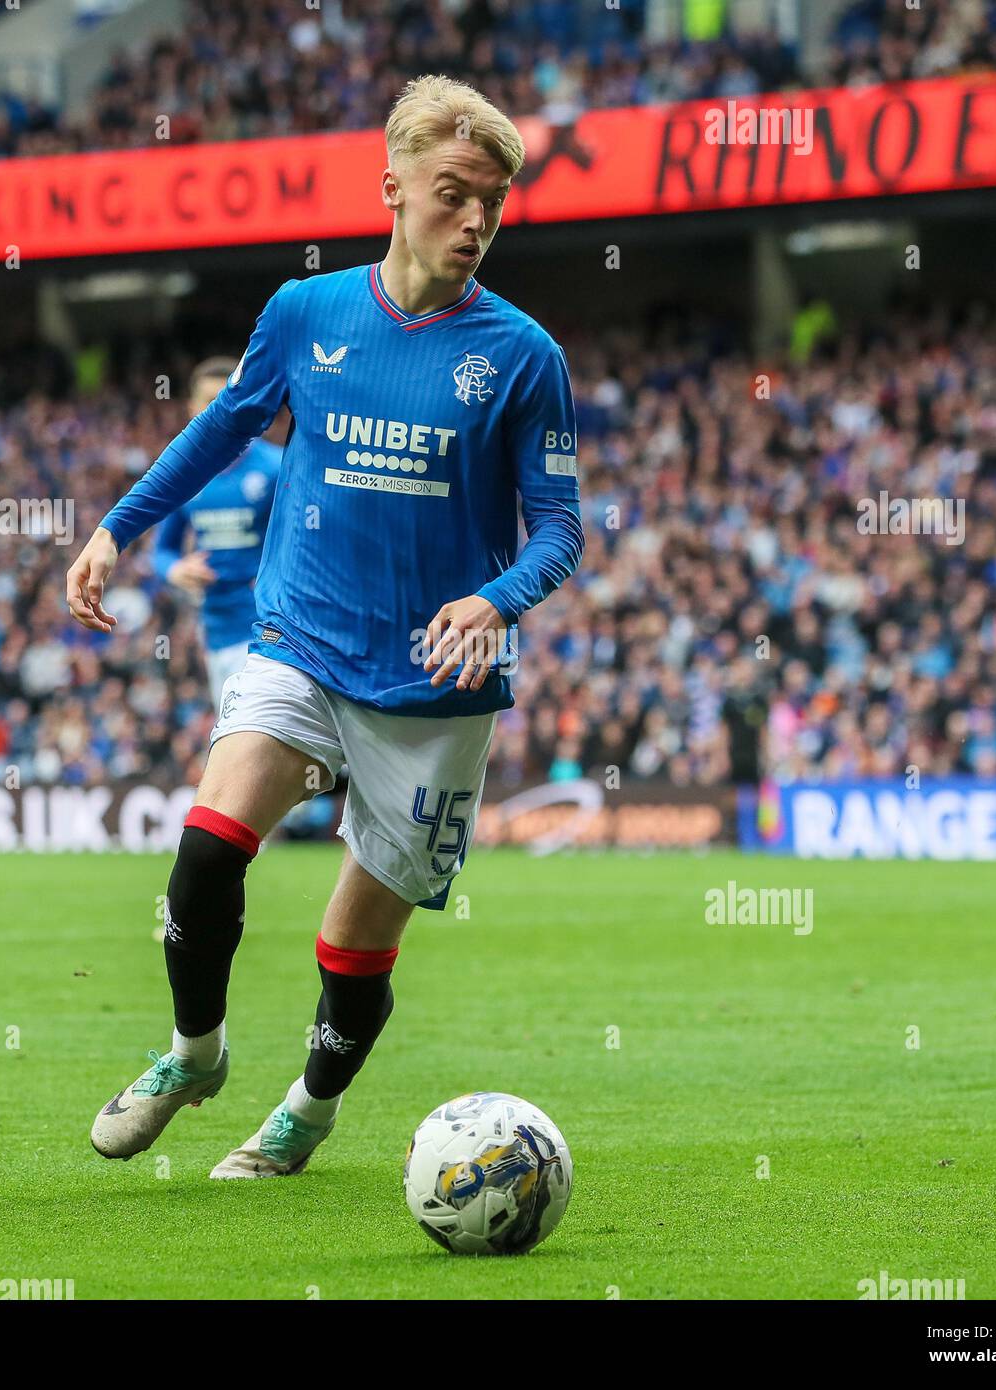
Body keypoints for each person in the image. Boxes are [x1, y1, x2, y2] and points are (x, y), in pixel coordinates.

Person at [65, 74, 583, 1180]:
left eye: (493, 201)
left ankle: (306, 1108)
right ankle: (191, 1054)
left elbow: (561, 530)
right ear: (390, 186)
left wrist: (496, 599)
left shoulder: (525, 356)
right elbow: (221, 428)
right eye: (453, 193)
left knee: (354, 943)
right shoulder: (307, 312)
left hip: (434, 689)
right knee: (208, 849)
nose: (476, 222)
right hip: (301, 635)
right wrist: (119, 525)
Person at [151, 360, 287, 704]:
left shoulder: (276, 466)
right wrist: (176, 569)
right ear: (192, 408)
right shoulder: (185, 473)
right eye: (208, 400)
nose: (219, 408)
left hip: (268, 631)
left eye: (225, 397)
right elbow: (161, 550)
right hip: (215, 633)